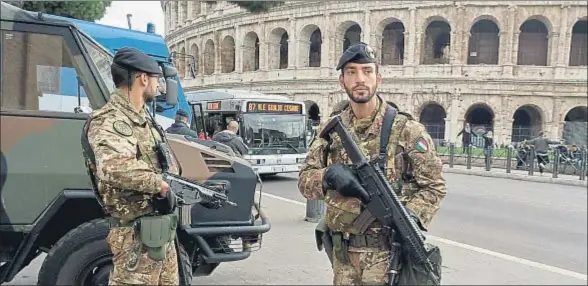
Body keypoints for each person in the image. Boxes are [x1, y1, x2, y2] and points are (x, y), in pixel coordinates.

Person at [298, 42, 447, 285]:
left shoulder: (407, 131)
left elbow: (434, 186)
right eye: (352, 72)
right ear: (342, 81)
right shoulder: (330, 132)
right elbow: (304, 182)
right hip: (342, 259)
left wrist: (407, 217)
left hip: (388, 259)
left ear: (378, 78)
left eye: (367, 71)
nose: (360, 79)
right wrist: (327, 176)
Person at [82, 47, 180, 285]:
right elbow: (114, 167)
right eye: (156, 78)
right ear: (143, 78)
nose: (158, 85)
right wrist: (160, 184)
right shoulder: (110, 119)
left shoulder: (143, 119)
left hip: (159, 231)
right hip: (134, 237)